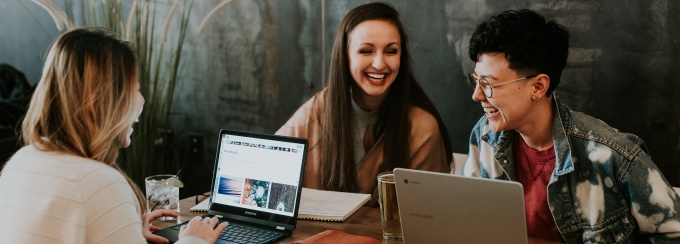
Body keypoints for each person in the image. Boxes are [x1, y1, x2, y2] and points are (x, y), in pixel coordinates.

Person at [462, 9, 680, 243]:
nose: (476, 95)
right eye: (476, 80)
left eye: (488, 84)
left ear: (537, 87)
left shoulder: (613, 156)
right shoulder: (484, 135)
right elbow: (468, 217)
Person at [0, 27, 227, 244]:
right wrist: (194, 239)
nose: (142, 101)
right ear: (99, 103)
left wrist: (122, 227)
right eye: (135, 90)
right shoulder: (99, 183)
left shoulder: (20, 161)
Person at [277, 2, 452, 206]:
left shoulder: (422, 127)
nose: (379, 64)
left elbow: (430, 213)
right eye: (366, 51)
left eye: (391, 51)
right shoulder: (318, 109)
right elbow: (268, 165)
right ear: (345, 56)